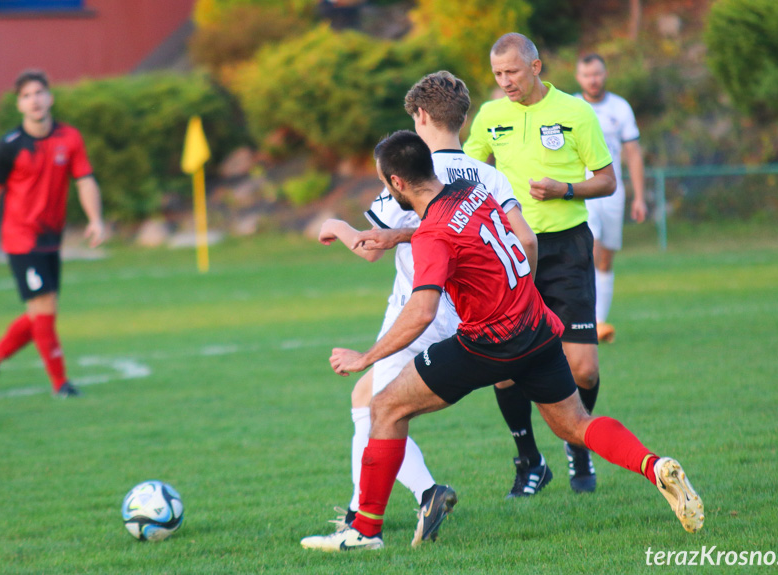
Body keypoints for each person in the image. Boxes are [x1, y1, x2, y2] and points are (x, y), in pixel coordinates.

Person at [300, 130, 703, 551]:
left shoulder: (433, 237)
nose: (386, 189)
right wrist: (397, 236)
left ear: (397, 183)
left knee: (383, 406)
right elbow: (481, 235)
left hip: (487, 344)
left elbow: (421, 311)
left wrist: (366, 356)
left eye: (385, 183)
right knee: (575, 425)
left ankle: (364, 531)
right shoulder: (472, 190)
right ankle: (654, 465)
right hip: (538, 327)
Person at [306, 71, 537, 548]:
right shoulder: (486, 174)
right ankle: (359, 508)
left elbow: (371, 247)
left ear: (423, 117)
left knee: (375, 410)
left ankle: (395, 507)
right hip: (474, 314)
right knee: (367, 403)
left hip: (419, 310)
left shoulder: (414, 175)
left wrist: (336, 225)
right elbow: (525, 238)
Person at [463, 33, 615, 496]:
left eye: (512, 72)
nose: (504, 82)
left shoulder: (574, 112)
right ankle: (529, 461)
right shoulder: (490, 116)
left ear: (536, 67)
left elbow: (606, 181)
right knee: (506, 366)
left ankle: (578, 443)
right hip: (510, 251)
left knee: (584, 368)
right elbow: (464, 169)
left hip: (567, 247)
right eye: (497, 74)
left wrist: (565, 189)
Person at [0, 69, 104, 398]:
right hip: (20, 239)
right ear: (19, 104)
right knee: (44, 310)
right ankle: (61, 384)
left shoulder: (70, 138)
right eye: (27, 95)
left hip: (51, 239)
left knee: (40, 316)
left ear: (50, 97)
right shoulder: (9, 147)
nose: (34, 100)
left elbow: (85, 179)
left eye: (39, 93)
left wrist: (95, 219)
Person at [575, 53, 647, 344]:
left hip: (612, 192)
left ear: (605, 74)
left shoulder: (620, 107)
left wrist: (639, 197)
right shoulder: (570, 107)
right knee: (589, 250)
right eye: (587, 75)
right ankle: (586, 321)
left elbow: (633, 152)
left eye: (597, 74)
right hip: (581, 192)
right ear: (579, 78)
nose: (593, 80)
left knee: (605, 258)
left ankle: (598, 321)